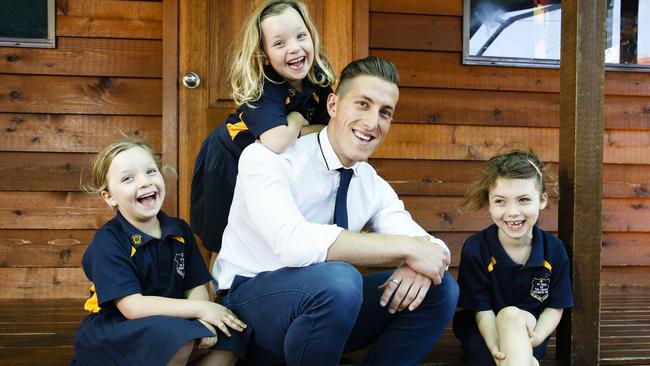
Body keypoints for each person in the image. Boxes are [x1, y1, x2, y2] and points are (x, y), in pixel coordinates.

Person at [213, 56, 459, 366]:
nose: (372, 123)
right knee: (340, 281)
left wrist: (423, 258)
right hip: (248, 310)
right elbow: (292, 243)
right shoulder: (269, 157)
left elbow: (431, 246)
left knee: (441, 288)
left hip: (322, 309)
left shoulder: (370, 182)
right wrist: (410, 249)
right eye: (362, 104)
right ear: (333, 105)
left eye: (385, 113)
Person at [71, 140, 247, 366]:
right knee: (175, 338)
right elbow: (133, 307)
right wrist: (202, 309)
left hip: (173, 323)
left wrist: (202, 319)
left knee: (231, 332)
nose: (145, 181)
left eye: (150, 171)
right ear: (109, 197)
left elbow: (195, 286)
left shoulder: (179, 230)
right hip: (118, 331)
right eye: (128, 178)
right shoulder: (108, 241)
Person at [190, 0, 336, 257]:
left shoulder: (319, 82)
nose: (295, 47)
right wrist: (298, 120)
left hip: (272, 165)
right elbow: (277, 140)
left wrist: (294, 127)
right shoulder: (262, 89)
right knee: (223, 238)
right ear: (265, 56)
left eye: (301, 36)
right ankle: (215, 292)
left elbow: (331, 130)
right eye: (280, 43)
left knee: (267, 233)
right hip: (227, 158)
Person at [452, 150, 574, 366]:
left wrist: (537, 337)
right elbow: (482, 309)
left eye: (524, 200)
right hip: (483, 332)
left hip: (531, 330)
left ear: (542, 200)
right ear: (489, 203)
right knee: (507, 319)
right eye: (500, 201)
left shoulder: (554, 250)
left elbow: (555, 306)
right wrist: (495, 347)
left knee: (517, 317)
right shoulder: (476, 248)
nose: (513, 212)